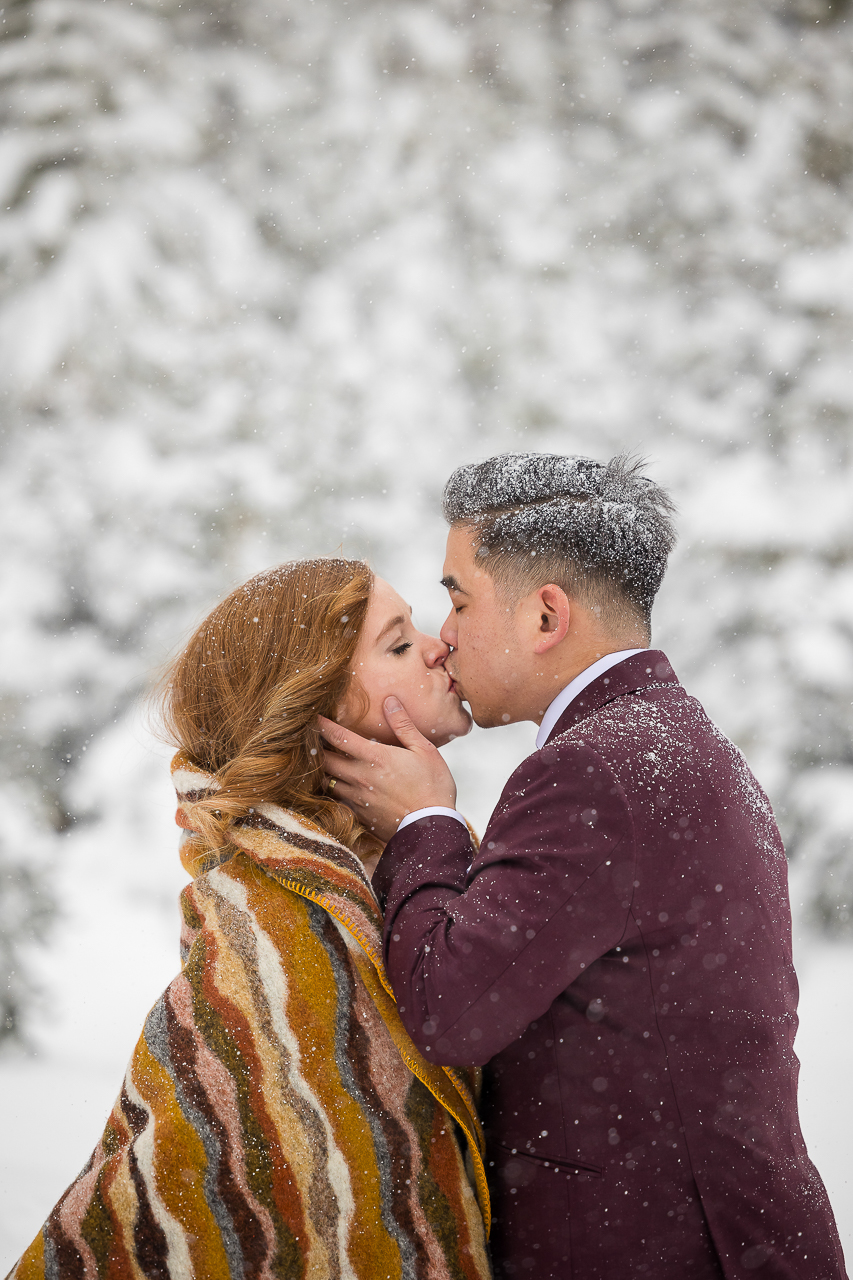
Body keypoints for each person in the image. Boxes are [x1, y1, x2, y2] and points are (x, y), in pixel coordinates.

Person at [319, 455, 847, 1280]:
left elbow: (449, 1010)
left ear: (545, 616)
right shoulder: (671, 743)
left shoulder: (593, 771)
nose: (443, 633)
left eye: (458, 597)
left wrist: (423, 820)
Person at [9, 559, 492, 1280]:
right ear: (311, 714)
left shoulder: (410, 862)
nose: (435, 647)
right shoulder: (281, 923)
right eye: (397, 645)